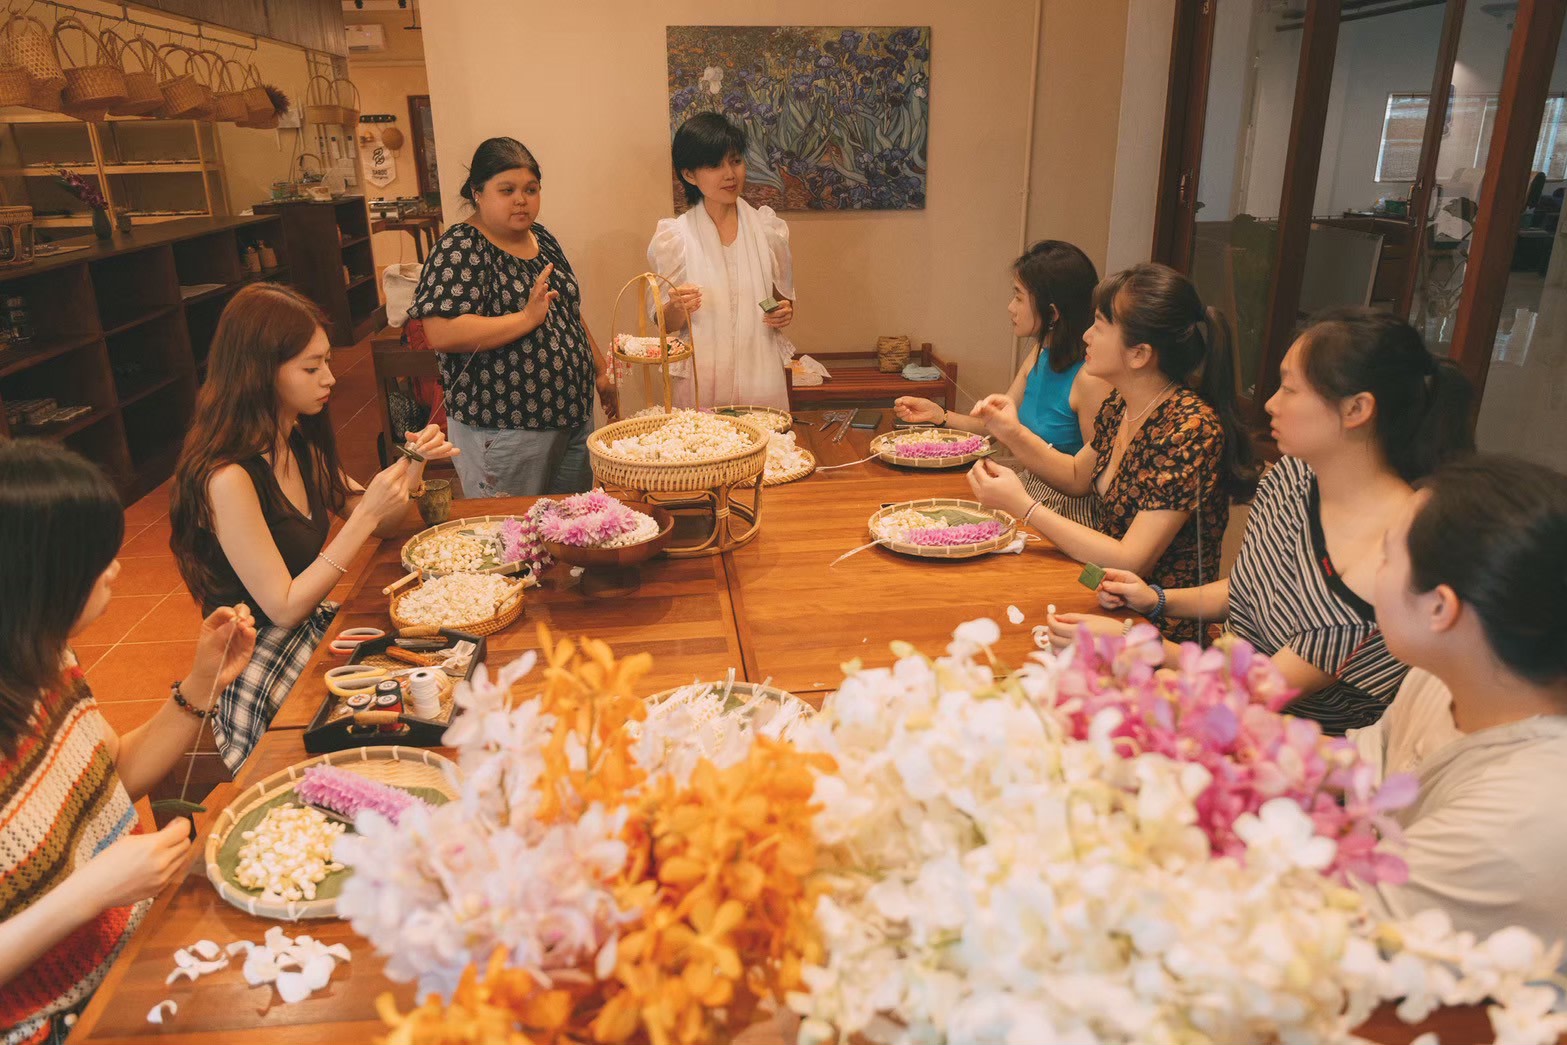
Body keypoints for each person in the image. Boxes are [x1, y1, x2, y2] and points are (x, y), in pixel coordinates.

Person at [1049, 309, 1474, 733]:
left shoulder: (1391, 552)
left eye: (1290, 388)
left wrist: (1135, 643)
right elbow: (1252, 590)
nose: (1270, 403)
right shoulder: (1293, 476)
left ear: (1357, 409)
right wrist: (1157, 599)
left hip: (1291, 752)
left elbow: (1258, 693)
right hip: (1219, 688)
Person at [1, 441, 257, 1044]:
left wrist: (203, 682)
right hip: (56, 1021)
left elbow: (113, 773)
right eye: (96, 557)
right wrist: (92, 891)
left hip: (132, 952)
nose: (115, 568)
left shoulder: (45, 660)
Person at [169, 283, 455, 772]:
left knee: (432, 667)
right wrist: (364, 515)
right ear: (259, 372)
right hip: (252, 655)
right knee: (374, 727)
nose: (329, 378)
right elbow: (282, 608)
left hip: (306, 626)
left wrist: (413, 466)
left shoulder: (295, 438)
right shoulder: (228, 477)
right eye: (310, 367)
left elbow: (387, 526)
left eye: (326, 362)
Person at [967, 263, 1257, 643]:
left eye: (1100, 325)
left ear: (1139, 354)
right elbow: (1076, 477)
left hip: (1154, 633)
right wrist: (1012, 432)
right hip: (1104, 597)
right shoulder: (1124, 404)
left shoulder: (1189, 429)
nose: (1086, 335)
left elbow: (1131, 559)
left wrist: (1025, 507)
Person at [1352, 455, 1567, 959]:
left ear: (1440, 608)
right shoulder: (1445, 671)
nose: (1370, 573)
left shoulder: (1526, 811)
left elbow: (1345, 925)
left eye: (1385, 556)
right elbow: (1371, 762)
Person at [411, 137, 618, 496]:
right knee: (511, 535)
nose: (522, 199)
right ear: (477, 192)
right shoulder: (460, 247)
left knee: (569, 527)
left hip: (571, 416)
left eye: (531, 189)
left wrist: (600, 371)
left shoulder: (542, 238)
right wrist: (525, 318)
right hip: (506, 426)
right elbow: (441, 332)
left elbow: (566, 311)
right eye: (507, 190)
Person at [896, 240, 1109, 526]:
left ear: (1053, 313)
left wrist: (1015, 438)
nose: (1010, 307)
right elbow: (994, 426)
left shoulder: (1090, 378)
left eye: (1019, 297)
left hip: (1065, 513)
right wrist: (939, 416)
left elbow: (1083, 483)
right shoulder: (1039, 353)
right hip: (1028, 491)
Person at [648, 112, 797, 410]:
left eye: (735, 161)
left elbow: (781, 300)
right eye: (715, 165)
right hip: (700, 380)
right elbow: (664, 324)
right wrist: (677, 306)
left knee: (765, 451)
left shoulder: (768, 229)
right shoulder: (675, 236)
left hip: (760, 375)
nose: (730, 174)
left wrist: (783, 312)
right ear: (689, 175)